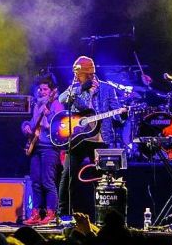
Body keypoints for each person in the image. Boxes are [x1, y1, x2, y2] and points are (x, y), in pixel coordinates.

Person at [56, 56, 122, 221]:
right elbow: (61, 99)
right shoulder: (75, 88)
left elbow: (117, 115)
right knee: (67, 175)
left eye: (83, 74)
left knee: (101, 179)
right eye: (79, 75)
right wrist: (79, 89)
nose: (79, 77)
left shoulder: (107, 89)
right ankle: (63, 214)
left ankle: (105, 217)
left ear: (90, 73)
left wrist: (123, 115)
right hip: (79, 139)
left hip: (100, 139)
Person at [21, 75, 63, 226]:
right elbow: (32, 124)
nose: (42, 91)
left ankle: (51, 213)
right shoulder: (37, 105)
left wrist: (49, 116)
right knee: (36, 182)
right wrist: (25, 126)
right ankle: (36, 213)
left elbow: (61, 127)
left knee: (47, 181)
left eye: (45, 89)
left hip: (49, 148)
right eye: (40, 89)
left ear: (52, 91)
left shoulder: (56, 104)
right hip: (36, 147)